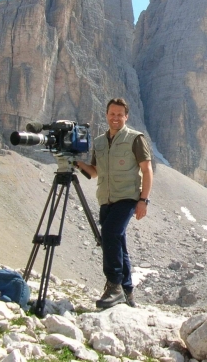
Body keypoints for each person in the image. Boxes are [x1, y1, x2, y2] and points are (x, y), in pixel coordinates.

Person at [76, 97, 153, 309]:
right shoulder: (99, 142)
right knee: (118, 242)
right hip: (106, 200)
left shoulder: (135, 138)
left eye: (120, 114)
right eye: (112, 113)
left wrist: (143, 200)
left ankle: (114, 286)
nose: (116, 118)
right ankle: (127, 291)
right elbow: (94, 172)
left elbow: (147, 170)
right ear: (106, 114)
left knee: (109, 233)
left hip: (127, 197)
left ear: (126, 116)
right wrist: (76, 163)